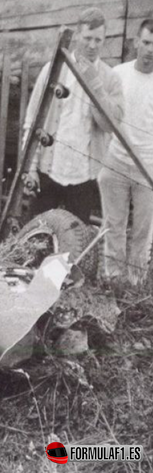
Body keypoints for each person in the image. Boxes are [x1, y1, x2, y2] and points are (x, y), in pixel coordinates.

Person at [22, 7, 124, 223]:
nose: (92, 45)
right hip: (48, 171)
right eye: (88, 38)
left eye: (98, 39)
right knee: (35, 236)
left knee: (74, 243)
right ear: (77, 35)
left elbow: (110, 125)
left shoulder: (110, 79)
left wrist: (95, 84)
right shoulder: (54, 69)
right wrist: (29, 168)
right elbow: (31, 120)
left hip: (83, 177)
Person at [99, 16, 153, 284]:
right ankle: (113, 280)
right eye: (147, 42)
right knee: (114, 226)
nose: (151, 50)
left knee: (143, 231)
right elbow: (101, 117)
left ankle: (134, 284)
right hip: (116, 161)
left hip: (149, 168)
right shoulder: (118, 74)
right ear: (136, 42)